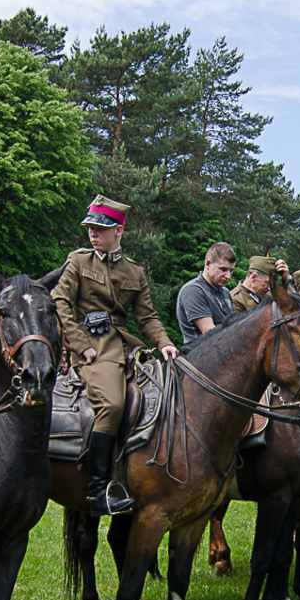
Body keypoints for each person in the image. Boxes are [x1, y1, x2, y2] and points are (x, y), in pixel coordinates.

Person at [53, 195, 179, 517]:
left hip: (127, 344)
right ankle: (98, 491)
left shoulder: (134, 271)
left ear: (119, 230)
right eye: (90, 228)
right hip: (94, 347)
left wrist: (163, 342)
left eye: (101, 228)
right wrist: (81, 345)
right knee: (111, 404)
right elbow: (59, 304)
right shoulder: (78, 261)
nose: (93, 233)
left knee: (167, 392)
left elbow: (147, 316)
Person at [175, 242, 236, 344]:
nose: (228, 276)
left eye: (231, 271)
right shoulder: (193, 290)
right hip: (198, 356)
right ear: (208, 264)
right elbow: (210, 333)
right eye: (223, 269)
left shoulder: (225, 292)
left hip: (225, 352)